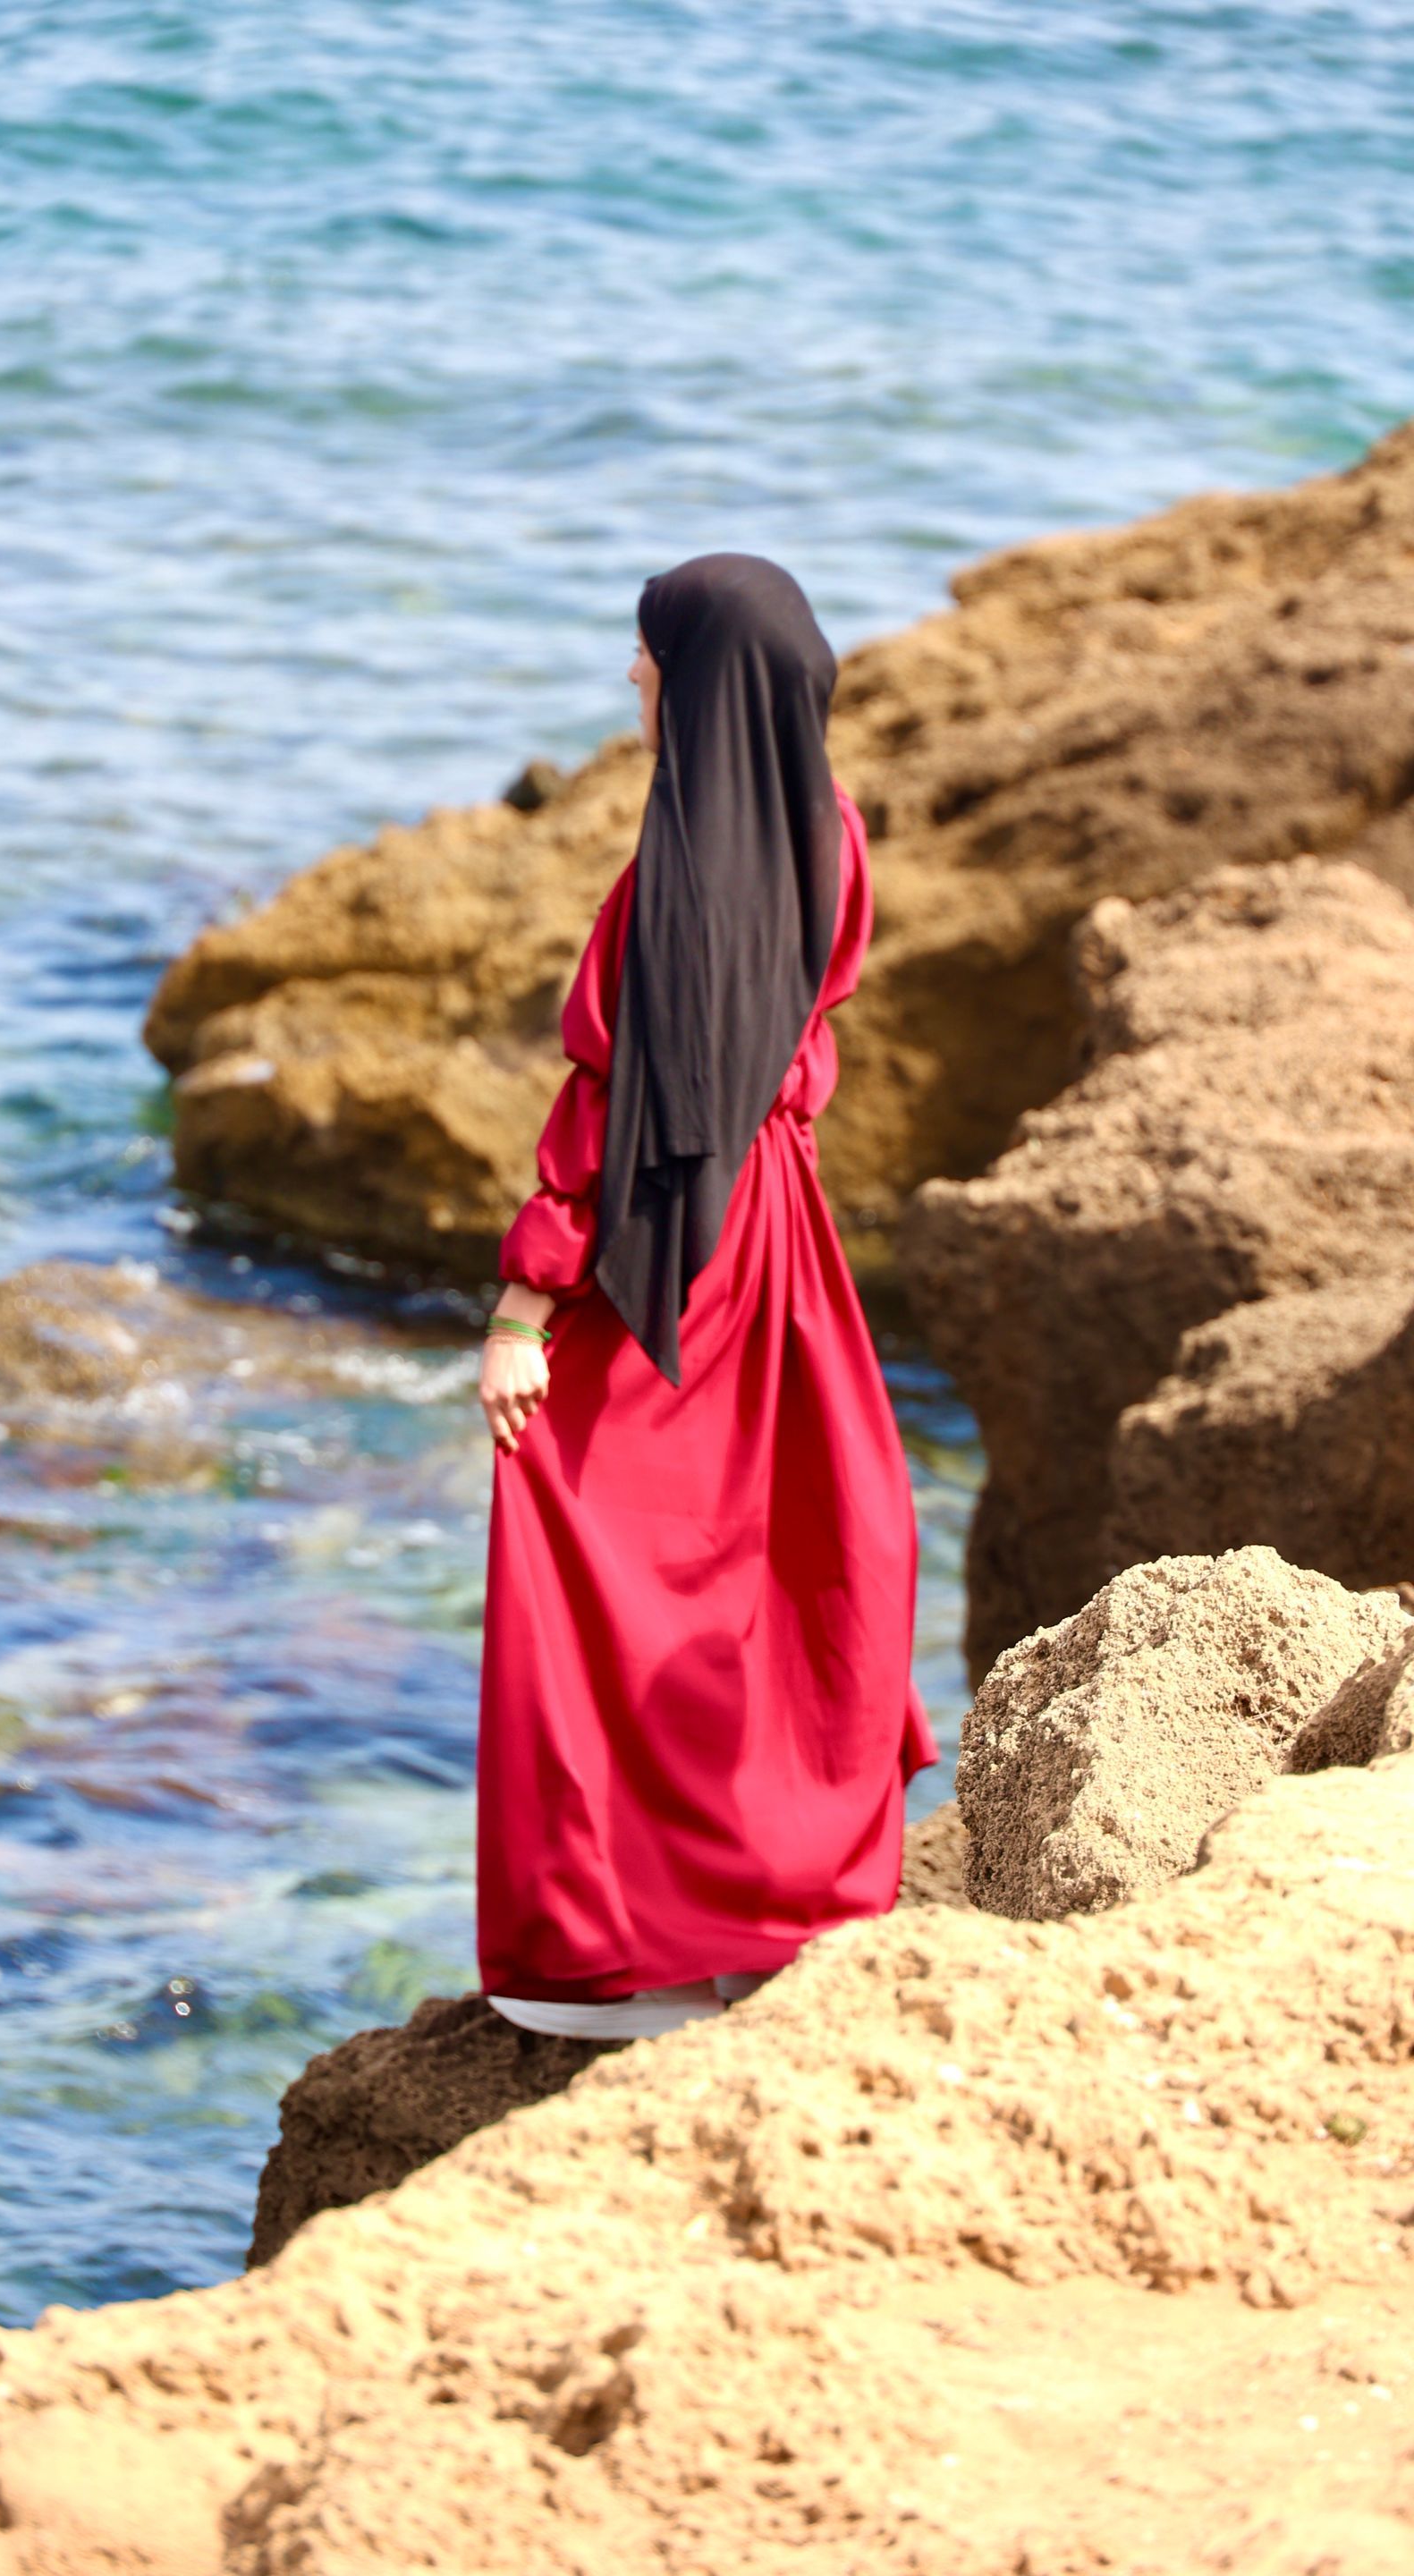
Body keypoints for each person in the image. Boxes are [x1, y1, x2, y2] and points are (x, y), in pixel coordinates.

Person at [475, 553, 936, 2040]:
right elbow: (805, 1038)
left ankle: (630, 1948)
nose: (630, 681)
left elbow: (605, 1118)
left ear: (702, 680)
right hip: (781, 1237)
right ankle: (771, 1911)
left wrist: (521, 1310)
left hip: (667, 1244)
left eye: (648, 655)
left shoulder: (665, 877)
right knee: (779, 1546)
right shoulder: (837, 838)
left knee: (595, 1529)